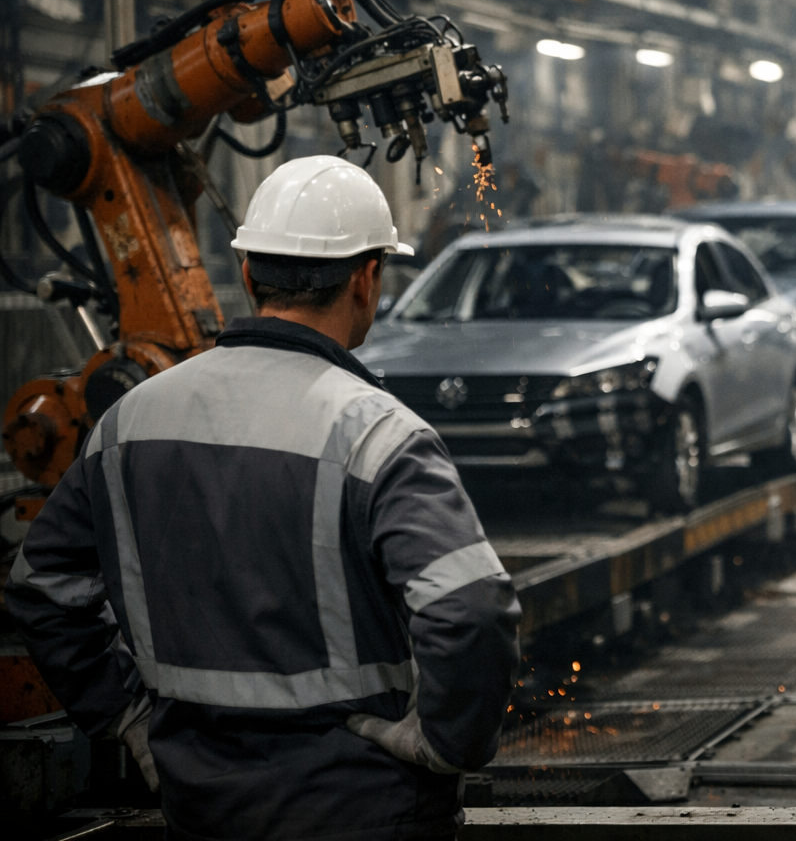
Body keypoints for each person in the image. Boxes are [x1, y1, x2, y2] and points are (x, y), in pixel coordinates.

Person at [7, 155, 520, 841]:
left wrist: (128, 720)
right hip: (365, 810)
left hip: (199, 812)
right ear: (367, 279)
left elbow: (41, 587)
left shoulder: (127, 423)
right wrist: (447, 744)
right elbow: (471, 609)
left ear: (248, 275)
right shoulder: (379, 434)